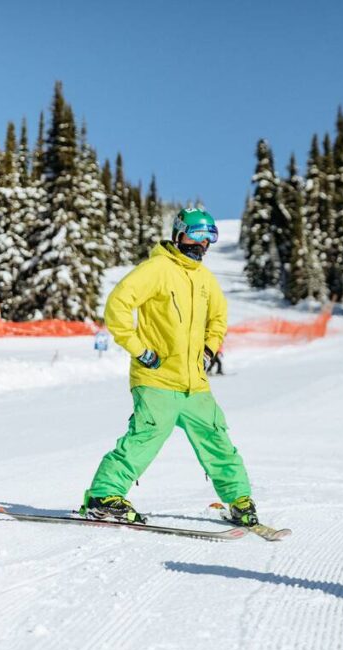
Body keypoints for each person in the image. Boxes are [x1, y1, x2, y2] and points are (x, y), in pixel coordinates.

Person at [79, 207, 259, 527]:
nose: (201, 244)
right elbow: (118, 304)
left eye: (209, 237)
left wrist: (208, 349)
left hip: (195, 383)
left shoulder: (204, 278)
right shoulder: (157, 269)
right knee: (145, 436)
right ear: (178, 234)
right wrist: (140, 350)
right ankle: (104, 497)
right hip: (156, 376)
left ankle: (239, 500)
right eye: (196, 235)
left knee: (216, 437)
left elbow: (218, 317)